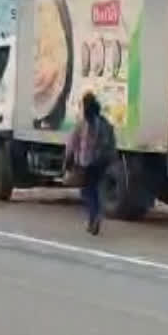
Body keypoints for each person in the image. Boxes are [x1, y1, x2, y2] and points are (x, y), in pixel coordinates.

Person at [65, 92, 115, 235]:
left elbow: (73, 142)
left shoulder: (84, 123)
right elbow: (112, 143)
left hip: (88, 162)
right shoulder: (105, 123)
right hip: (102, 161)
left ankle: (94, 216)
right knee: (95, 188)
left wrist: (68, 159)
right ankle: (95, 216)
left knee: (87, 191)